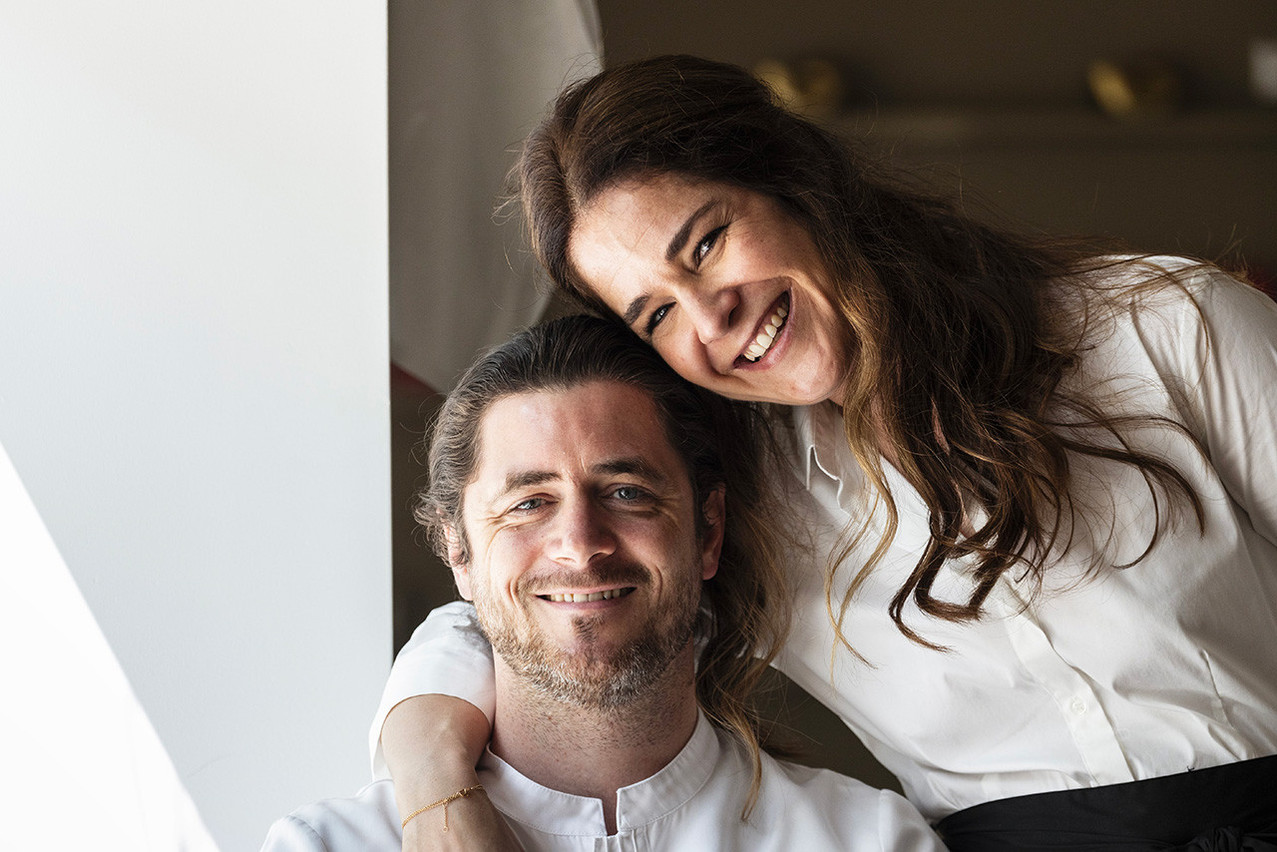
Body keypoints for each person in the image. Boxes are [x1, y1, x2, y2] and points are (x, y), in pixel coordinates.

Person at [378, 56, 1277, 849]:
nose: (709, 316)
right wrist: (434, 798)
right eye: (655, 313)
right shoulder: (743, 498)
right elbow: (537, 598)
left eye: (705, 243)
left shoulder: (1164, 327)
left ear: (796, 182)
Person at [266, 315, 943, 851]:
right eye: (528, 502)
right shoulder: (325, 846)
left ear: (707, 531)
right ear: (458, 553)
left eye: (625, 492)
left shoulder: (865, 839)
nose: (579, 544)